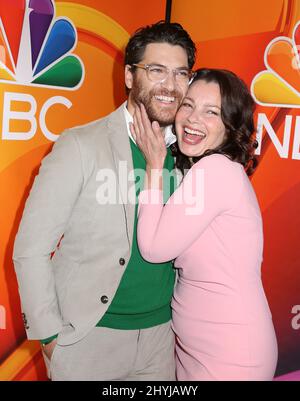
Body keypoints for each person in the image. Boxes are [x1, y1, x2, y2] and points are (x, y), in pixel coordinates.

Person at [13, 21, 196, 381]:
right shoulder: (80, 145)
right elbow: (31, 249)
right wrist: (51, 338)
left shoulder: (190, 153)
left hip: (162, 340)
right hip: (88, 338)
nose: (170, 85)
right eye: (156, 70)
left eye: (180, 73)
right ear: (129, 75)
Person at [131, 68, 278, 381]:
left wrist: (154, 165)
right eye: (188, 105)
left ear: (230, 125)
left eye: (211, 112)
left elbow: (154, 249)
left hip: (231, 355)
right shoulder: (202, 170)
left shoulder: (216, 170)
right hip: (195, 352)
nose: (193, 119)